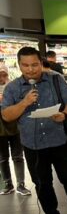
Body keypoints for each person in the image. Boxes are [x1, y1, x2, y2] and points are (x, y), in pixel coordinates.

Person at [1, 47, 67, 214]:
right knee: (42, 183)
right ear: (19, 65)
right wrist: (24, 102)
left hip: (59, 139)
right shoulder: (12, 88)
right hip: (32, 144)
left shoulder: (55, 79)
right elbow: (6, 115)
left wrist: (64, 115)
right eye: (26, 65)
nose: (31, 69)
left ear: (41, 63)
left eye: (35, 65)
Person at [0, 65, 31, 196]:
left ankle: (21, 184)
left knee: (18, 156)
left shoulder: (13, 87)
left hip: (15, 126)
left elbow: (22, 105)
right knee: (2, 157)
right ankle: (7, 183)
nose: (2, 78)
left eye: (4, 74)